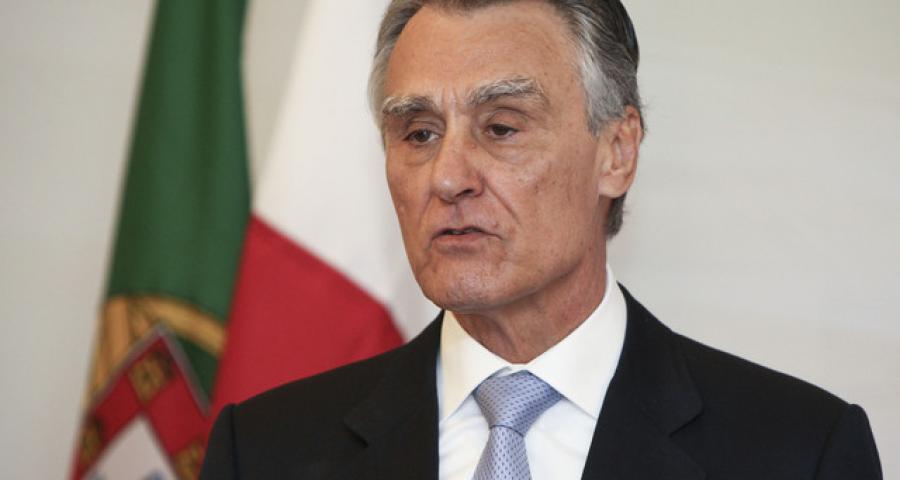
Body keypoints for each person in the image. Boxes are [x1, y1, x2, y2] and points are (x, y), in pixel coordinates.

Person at [201, 0, 883, 478]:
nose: (448, 177)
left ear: (617, 152)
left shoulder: (800, 452)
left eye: (501, 128)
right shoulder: (262, 452)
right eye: (419, 133)